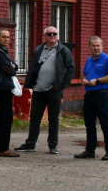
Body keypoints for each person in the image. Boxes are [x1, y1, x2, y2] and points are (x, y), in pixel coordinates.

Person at [16, 25, 75, 155]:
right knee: (35, 117)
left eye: (55, 33)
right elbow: (33, 66)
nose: (52, 36)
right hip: (39, 89)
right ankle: (30, 144)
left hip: (54, 90)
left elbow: (71, 69)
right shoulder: (39, 49)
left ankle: (53, 145)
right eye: (49, 34)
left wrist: (61, 85)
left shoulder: (63, 50)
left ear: (58, 35)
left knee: (53, 119)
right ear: (45, 36)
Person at [76, 36, 108, 160]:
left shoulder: (107, 59)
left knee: (105, 123)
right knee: (89, 124)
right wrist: (84, 80)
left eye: (98, 45)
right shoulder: (89, 60)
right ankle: (90, 151)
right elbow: (84, 73)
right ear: (89, 47)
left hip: (102, 95)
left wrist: (98, 81)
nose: (96, 48)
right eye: (93, 46)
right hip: (89, 95)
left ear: (102, 46)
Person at [0, 27, 19, 157]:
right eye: (3, 37)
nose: (6, 39)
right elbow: (10, 70)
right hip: (1, 87)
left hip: (3, 86)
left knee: (2, 117)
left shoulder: (2, 51)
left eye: (8, 37)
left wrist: (12, 66)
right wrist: (11, 66)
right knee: (6, 118)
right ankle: (2, 149)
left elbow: (15, 66)